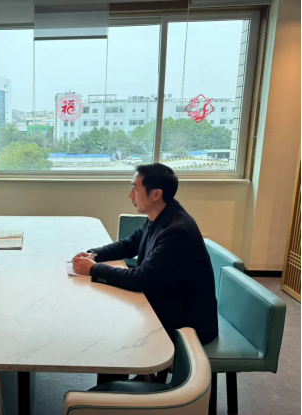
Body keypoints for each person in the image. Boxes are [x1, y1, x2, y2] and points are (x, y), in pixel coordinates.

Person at [72, 163, 218, 385]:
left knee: (113, 333)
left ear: (156, 194)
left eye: (136, 189)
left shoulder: (176, 230)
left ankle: (114, 394)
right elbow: (129, 244)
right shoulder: (160, 215)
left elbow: (141, 280)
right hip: (166, 303)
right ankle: (120, 387)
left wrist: (93, 269)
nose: (130, 195)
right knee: (112, 317)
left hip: (185, 322)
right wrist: (95, 254)